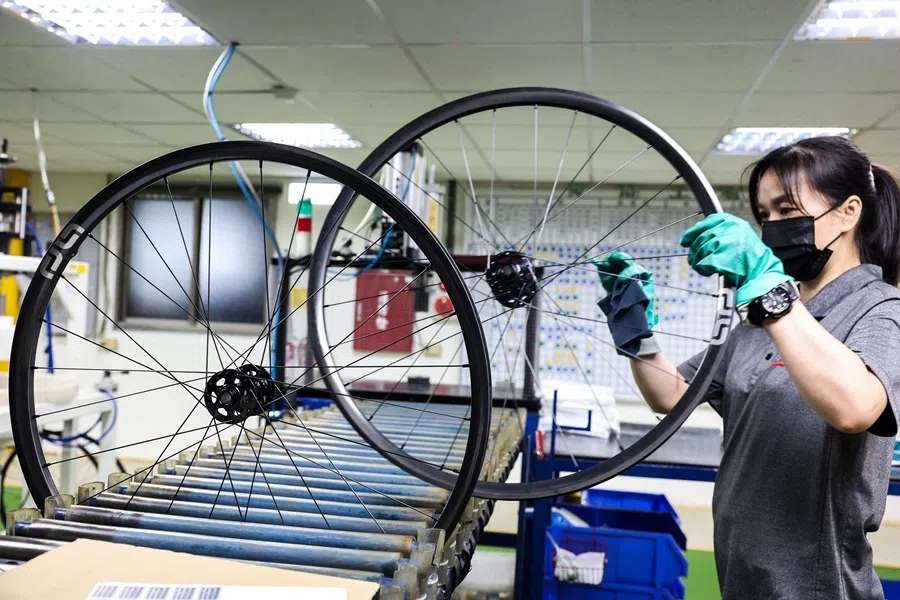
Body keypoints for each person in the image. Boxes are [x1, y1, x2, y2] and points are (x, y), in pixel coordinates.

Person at [597, 136, 900, 599]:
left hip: (816, 586)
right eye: (764, 215)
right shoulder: (761, 322)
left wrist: (770, 291)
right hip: (742, 574)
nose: (772, 226)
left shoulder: (881, 311)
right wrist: (636, 332)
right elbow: (672, 396)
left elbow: (855, 406)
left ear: (848, 212)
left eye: (786, 209)